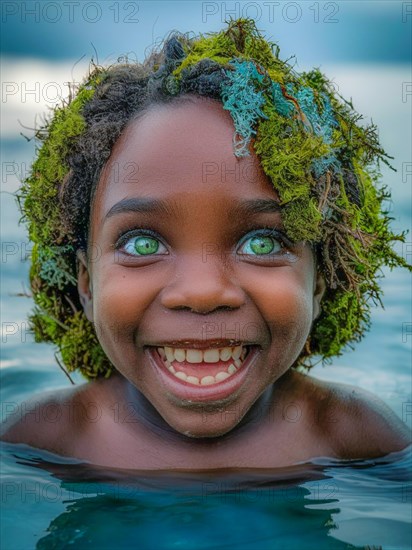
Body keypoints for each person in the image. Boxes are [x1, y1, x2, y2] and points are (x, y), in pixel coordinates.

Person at [1, 18, 410, 469]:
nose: (202, 292)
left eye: (261, 243)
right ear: (87, 285)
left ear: (318, 284)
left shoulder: (359, 438)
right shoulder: (43, 439)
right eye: (141, 244)